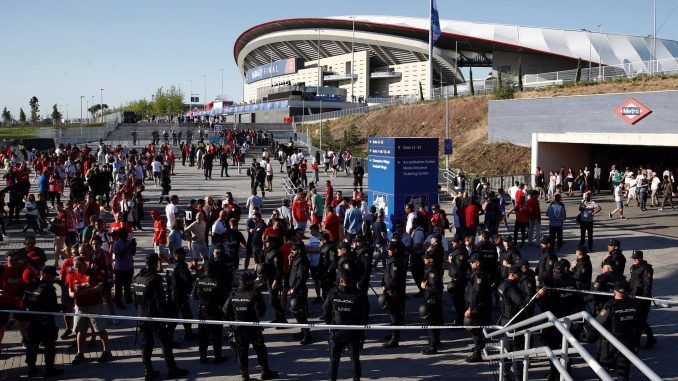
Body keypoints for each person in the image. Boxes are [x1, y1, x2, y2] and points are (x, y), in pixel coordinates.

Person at [132, 253, 188, 380]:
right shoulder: (155, 279)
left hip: (142, 315)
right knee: (166, 343)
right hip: (155, 317)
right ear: (156, 263)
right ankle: (172, 369)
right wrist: (165, 316)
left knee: (146, 344)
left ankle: (148, 371)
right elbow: (161, 301)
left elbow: (135, 300)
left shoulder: (137, 277)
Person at [223, 271, 279, 381]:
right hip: (253, 328)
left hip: (239, 329)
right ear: (248, 282)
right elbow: (261, 313)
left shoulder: (233, 295)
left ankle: (245, 376)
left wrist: (232, 324)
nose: (254, 282)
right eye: (252, 280)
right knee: (261, 350)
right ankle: (265, 371)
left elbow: (225, 311)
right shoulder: (255, 294)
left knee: (242, 352)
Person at [323, 274, 369, 381]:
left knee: (334, 358)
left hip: (337, 330)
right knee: (354, 358)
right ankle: (356, 378)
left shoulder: (333, 292)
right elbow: (364, 313)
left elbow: (325, 310)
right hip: (354, 331)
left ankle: (332, 378)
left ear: (341, 279)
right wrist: (364, 329)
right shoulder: (359, 293)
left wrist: (329, 324)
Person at [68, 255, 112, 365]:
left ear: (85, 264)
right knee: (80, 330)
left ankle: (107, 351)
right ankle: (80, 353)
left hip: (95, 305)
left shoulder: (93, 272)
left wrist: (86, 291)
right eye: (75, 267)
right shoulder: (72, 274)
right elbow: (70, 291)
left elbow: (100, 287)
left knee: (100, 329)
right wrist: (74, 295)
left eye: (79, 266)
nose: (78, 269)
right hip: (80, 306)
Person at [596, 280, 642, 381]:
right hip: (628, 341)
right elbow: (639, 324)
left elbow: (598, 322)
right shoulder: (635, 304)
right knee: (623, 371)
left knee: (604, 368)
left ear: (614, 291)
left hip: (611, 343)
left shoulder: (610, 305)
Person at [23, 265, 62, 378]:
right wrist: (61, 307)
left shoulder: (31, 285)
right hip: (46, 322)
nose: (53, 278)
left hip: (33, 321)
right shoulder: (49, 288)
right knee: (49, 346)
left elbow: (26, 302)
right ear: (46, 274)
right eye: (52, 275)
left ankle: (31, 369)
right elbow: (51, 306)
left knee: (32, 345)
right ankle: (49, 370)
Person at [497, 265, 533, 379]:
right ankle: (518, 377)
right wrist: (534, 297)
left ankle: (505, 373)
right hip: (514, 322)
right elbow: (522, 304)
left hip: (506, 319)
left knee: (507, 349)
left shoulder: (503, 284)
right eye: (518, 275)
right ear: (512, 275)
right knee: (517, 351)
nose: (520, 277)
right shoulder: (512, 289)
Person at [192, 261, 228, 364]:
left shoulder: (199, 280)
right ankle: (217, 357)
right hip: (215, 311)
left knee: (203, 334)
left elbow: (194, 296)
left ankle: (203, 356)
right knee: (216, 335)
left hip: (202, 311)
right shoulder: (218, 281)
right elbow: (224, 297)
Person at [464, 253, 491, 362]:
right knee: (476, 328)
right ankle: (478, 346)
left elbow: (477, 292)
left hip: (477, 306)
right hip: (479, 305)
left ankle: (477, 353)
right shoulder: (478, 273)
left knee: (475, 328)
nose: (470, 264)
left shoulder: (478, 275)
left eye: (472, 262)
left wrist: (471, 308)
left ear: (477, 263)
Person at [165, 248, 196, 342]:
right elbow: (187, 280)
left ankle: (170, 338)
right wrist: (197, 275)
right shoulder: (181, 266)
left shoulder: (170, 265)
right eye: (183, 254)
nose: (185, 256)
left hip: (171, 294)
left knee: (173, 317)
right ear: (178, 255)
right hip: (180, 295)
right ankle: (187, 335)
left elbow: (168, 280)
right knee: (187, 315)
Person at [629, 250, 656, 349]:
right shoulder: (633, 267)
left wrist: (644, 299)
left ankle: (650, 339)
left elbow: (647, 285)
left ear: (641, 258)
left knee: (641, 321)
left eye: (636, 258)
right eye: (633, 258)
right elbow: (632, 282)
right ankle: (637, 340)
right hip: (633, 297)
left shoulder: (646, 269)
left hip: (642, 299)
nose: (634, 260)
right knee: (636, 320)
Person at [381, 243, 406, 348]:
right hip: (392, 290)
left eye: (390, 250)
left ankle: (395, 339)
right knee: (393, 314)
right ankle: (393, 334)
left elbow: (393, 278)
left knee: (395, 315)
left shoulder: (395, 261)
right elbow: (387, 274)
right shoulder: (393, 259)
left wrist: (387, 287)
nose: (388, 251)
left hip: (395, 292)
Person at [420, 250, 444, 355]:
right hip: (435, 300)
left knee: (431, 323)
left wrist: (425, 287)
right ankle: (436, 341)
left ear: (430, 260)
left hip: (432, 300)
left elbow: (437, 287)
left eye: (425, 259)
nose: (424, 261)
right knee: (436, 322)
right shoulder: (431, 269)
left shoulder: (431, 271)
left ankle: (432, 346)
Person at [288, 243, 312, 344]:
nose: (291, 252)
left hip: (299, 289)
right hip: (295, 288)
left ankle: (307, 334)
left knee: (299, 311)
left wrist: (295, 288)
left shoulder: (302, 261)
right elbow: (293, 273)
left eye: (293, 250)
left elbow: (301, 277)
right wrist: (290, 261)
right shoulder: (296, 259)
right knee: (296, 311)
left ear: (299, 250)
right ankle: (303, 330)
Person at [447, 237, 470, 326]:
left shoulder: (460, 252)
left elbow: (459, 268)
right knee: (458, 301)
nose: (452, 243)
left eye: (454, 242)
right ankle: (460, 319)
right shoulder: (458, 251)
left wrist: (451, 261)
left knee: (459, 301)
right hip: (457, 279)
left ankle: (460, 320)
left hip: (459, 280)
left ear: (459, 242)